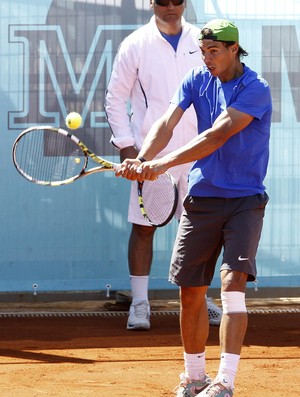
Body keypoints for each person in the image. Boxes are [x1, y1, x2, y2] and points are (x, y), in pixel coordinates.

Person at [118, 18, 272, 397]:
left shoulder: (256, 88)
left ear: (234, 49)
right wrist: (142, 159)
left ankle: (225, 381)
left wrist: (162, 164)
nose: (207, 58)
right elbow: (165, 124)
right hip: (202, 199)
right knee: (190, 291)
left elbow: (217, 133)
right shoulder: (195, 79)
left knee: (232, 285)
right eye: (202, 51)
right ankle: (195, 376)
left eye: (214, 51)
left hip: (244, 200)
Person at [105, 0, 222, 330]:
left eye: (177, 1)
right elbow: (115, 97)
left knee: (201, 229)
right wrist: (128, 147)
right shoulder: (135, 44)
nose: (170, 7)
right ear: (152, 3)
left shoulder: (201, 41)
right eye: (162, 1)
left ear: (184, 3)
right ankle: (140, 304)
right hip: (152, 154)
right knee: (143, 228)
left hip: (198, 153)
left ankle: (202, 299)